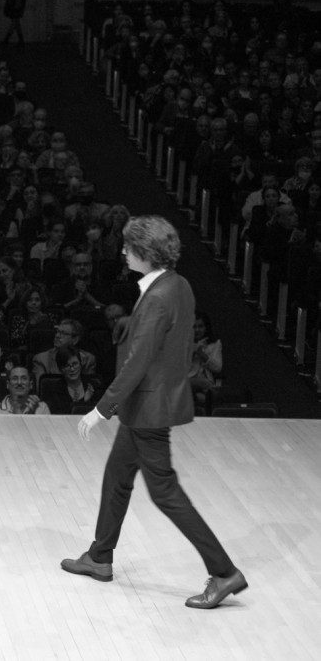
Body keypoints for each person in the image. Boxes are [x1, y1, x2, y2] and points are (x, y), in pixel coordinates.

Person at [65, 215, 246, 610]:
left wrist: (101, 409)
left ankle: (224, 571)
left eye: (130, 247)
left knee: (165, 493)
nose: (124, 251)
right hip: (149, 403)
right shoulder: (176, 285)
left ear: (146, 253)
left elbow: (139, 361)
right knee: (117, 476)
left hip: (147, 407)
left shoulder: (160, 297)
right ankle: (99, 556)